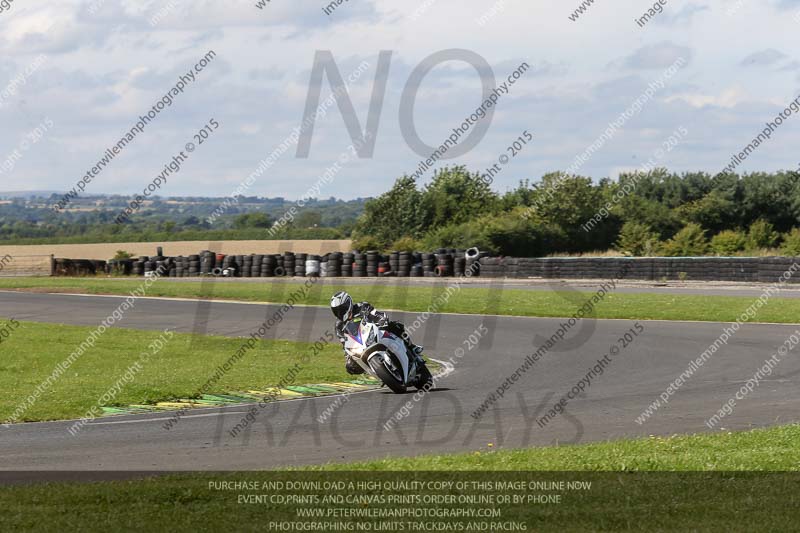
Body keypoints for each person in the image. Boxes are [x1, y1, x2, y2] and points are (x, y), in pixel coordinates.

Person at [330, 291, 424, 375]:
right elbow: (345, 343)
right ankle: (377, 372)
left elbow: (376, 314)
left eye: (341, 308)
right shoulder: (339, 326)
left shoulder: (362, 306)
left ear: (348, 303)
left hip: (375, 331)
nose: (339, 312)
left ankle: (412, 347)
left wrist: (382, 319)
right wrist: (348, 357)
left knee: (396, 325)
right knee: (350, 367)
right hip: (361, 345)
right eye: (336, 311)